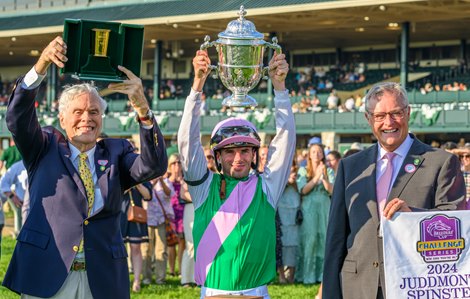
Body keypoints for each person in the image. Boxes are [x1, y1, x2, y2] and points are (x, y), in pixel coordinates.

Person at [2, 36, 168, 299]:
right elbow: (16, 117)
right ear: (62, 117)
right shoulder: (44, 146)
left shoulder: (116, 152)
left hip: (101, 278)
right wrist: (42, 64)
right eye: (78, 112)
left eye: (93, 112)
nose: (86, 119)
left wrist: (143, 109)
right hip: (49, 274)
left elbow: (154, 165)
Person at [323, 82, 465, 299]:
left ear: (408, 113)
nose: (388, 122)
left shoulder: (442, 162)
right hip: (358, 286)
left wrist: (413, 217)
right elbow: (336, 237)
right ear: (368, 118)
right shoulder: (350, 166)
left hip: (416, 283)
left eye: (396, 113)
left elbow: (456, 225)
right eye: (379, 116)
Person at [178, 50, 294, 298]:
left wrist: (280, 88)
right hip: (213, 292)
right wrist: (196, 86)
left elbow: (285, 141)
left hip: (257, 292)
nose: (238, 158)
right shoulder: (203, 188)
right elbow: (187, 143)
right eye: (230, 152)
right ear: (217, 157)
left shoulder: (267, 187)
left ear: (254, 155)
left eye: (245, 150)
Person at [295, 143, 333, 284]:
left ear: (323, 154)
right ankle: (307, 275)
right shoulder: (303, 170)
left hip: (324, 206)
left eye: (319, 152)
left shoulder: (329, 171)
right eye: (313, 152)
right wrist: (316, 177)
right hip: (309, 207)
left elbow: (332, 191)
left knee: (323, 238)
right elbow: (303, 190)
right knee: (310, 239)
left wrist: (323, 178)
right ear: (309, 155)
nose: (316, 154)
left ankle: (322, 276)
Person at [142, 176, 175, 285]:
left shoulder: (166, 181)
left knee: (161, 251)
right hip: (147, 220)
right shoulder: (144, 181)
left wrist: (161, 181)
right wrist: (154, 182)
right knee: (146, 250)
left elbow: (169, 194)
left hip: (161, 220)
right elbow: (146, 196)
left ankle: (160, 279)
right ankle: (146, 278)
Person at [120, 182, 152, 292]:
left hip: (136, 215)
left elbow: (148, 196)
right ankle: (121, 280)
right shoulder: (118, 173)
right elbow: (111, 193)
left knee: (136, 248)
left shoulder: (141, 175)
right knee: (119, 249)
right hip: (120, 214)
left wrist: (137, 184)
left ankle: (137, 281)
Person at [276, 163, 300, 284]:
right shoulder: (279, 181)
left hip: (294, 218)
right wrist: (286, 182)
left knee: (293, 245)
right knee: (281, 245)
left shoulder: (299, 180)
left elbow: (303, 193)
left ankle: (291, 275)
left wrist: (294, 183)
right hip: (281, 217)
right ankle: (281, 275)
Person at [167, 153, 186, 277]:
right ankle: (172, 270)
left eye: (179, 162)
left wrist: (182, 181)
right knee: (171, 245)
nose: (177, 165)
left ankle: (181, 271)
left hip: (183, 215)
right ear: (170, 166)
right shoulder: (166, 182)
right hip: (170, 216)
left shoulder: (185, 180)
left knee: (182, 244)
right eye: (174, 163)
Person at [0, 159, 28, 236]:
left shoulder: (44, 164)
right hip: (23, 206)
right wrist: (12, 196)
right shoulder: (18, 166)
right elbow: (3, 183)